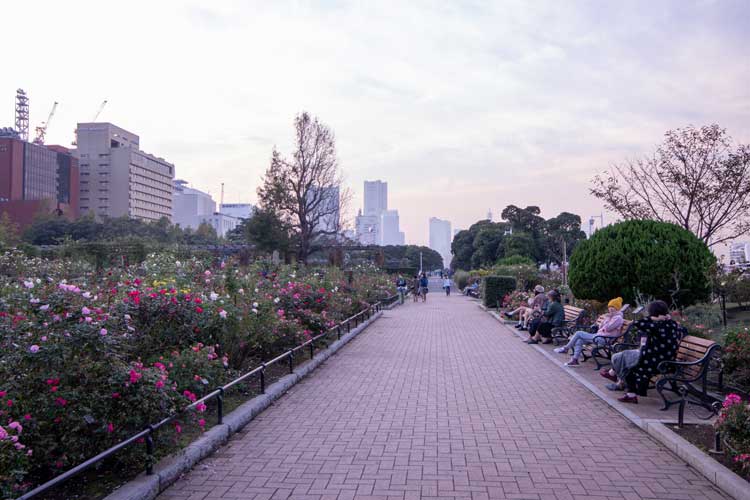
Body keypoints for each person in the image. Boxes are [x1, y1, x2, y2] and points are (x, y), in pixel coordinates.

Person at [599, 300, 683, 404]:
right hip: (665, 360)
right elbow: (682, 331)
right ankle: (624, 387)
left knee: (629, 366)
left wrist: (653, 318)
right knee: (627, 359)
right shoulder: (673, 324)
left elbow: (638, 323)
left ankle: (624, 387)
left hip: (656, 362)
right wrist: (666, 318)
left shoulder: (656, 326)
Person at [554, 297, 624, 367]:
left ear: (617, 308)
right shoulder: (610, 316)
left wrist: (608, 318)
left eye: (613, 307)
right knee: (580, 340)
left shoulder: (618, 318)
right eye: (610, 307)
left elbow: (608, 328)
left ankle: (566, 348)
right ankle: (575, 360)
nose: (611, 309)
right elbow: (600, 327)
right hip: (599, 336)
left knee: (579, 333)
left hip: (604, 339)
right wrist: (606, 319)